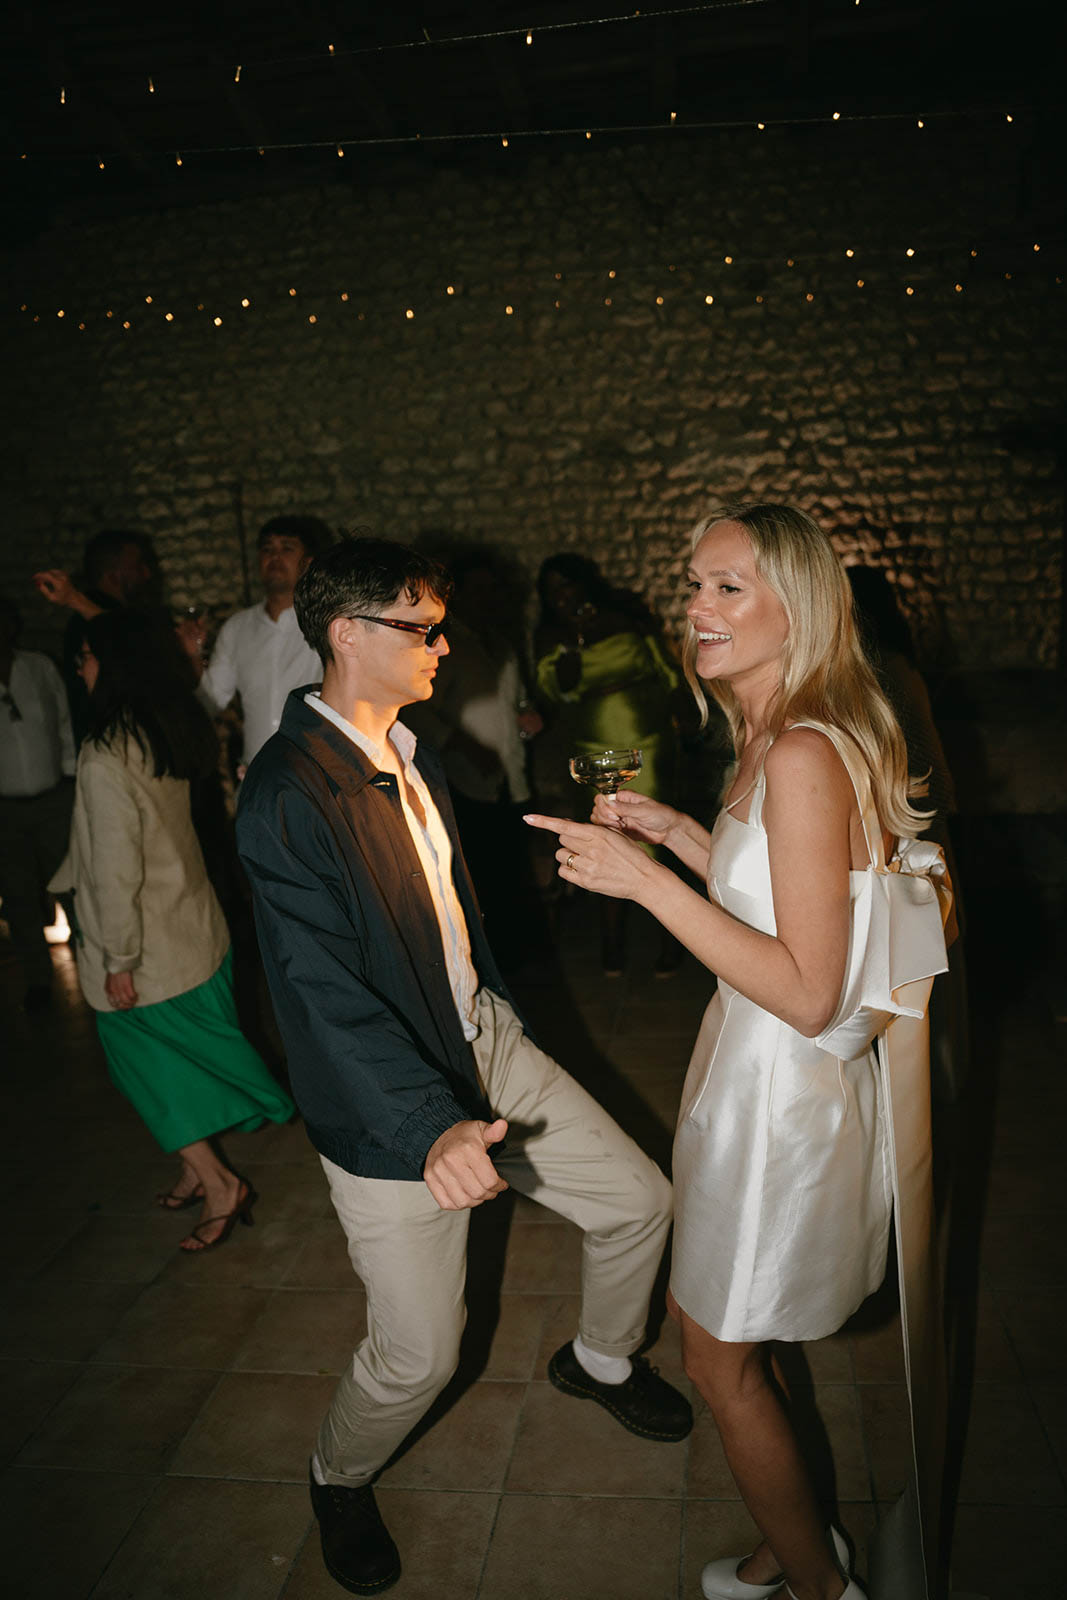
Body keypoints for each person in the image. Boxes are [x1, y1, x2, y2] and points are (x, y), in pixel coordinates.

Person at [235, 536, 691, 1596]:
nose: (445, 644)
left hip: (484, 1039)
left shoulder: (407, 741)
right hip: (389, 1100)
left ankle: (601, 1359)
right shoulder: (285, 794)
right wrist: (426, 1123)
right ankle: (336, 1474)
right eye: (422, 627)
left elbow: (440, 912)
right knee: (421, 1355)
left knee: (638, 1201)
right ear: (349, 634)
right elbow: (321, 996)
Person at [526, 505, 952, 1600]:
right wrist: (680, 835)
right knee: (740, 1340)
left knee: (718, 1359)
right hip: (751, 1076)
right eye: (693, 584)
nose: (696, 609)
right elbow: (790, 896)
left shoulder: (803, 751)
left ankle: (817, 1585)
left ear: (795, 607)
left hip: (780, 1100)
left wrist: (647, 886)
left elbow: (810, 989)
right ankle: (788, 1536)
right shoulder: (775, 733)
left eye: (728, 588)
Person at [51, 611, 294, 1249]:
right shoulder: (162, 726)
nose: (81, 667)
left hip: (146, 944)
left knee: (149, 1074)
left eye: (87, 656)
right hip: (191, 924)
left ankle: (220, 1184)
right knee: (175, 1067)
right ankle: (195, 1169)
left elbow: (113, 869)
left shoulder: (105, 751)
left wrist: (117, 958)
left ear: (115, 664)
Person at [534, 552, 683, 975]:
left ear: (585, 584)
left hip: (647, 740)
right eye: (553, 592)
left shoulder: (624, 616)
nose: (563, 596)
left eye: (568, 585)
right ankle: (612, 940)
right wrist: (573, 640)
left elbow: (665, 668)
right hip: (592, 748)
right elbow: (558, 690)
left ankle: (672, 940)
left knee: (655, 837)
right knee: (603, 835)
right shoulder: (551, 635)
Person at [401, 547, 545, 970]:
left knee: (509, 871)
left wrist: (527, 717)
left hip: (507, 776)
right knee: (477, 876)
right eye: (477, 590)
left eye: (492, 590)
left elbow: (515, 702)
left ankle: (516, 961)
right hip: (463, 780)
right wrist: (462, 747)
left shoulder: (500, 644)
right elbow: (419, 712)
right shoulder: (446, 647)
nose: (486, 599)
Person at [178, 514, 329, 773]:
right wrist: (192, 653)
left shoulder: (327, 622)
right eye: (267, 549)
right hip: (256, 773)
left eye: (287, 549)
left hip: (315, 771)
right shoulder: (237, 627)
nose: (275, 558)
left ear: (308, 563)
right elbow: (212, 700)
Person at [0, 594, 75, 1010]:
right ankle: (37, 980)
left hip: (52, 798)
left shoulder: (38, 667)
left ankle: (92, 961)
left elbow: (62, 719)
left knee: (70, 885)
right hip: (5, 808)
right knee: (18, 895)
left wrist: (70, 775)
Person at [34, 529, 159, 745]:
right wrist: (73, 598)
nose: (147, 574)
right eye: (138, 566)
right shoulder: (89, 622)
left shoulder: (117, 616)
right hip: (113, 750)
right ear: (113, 574)